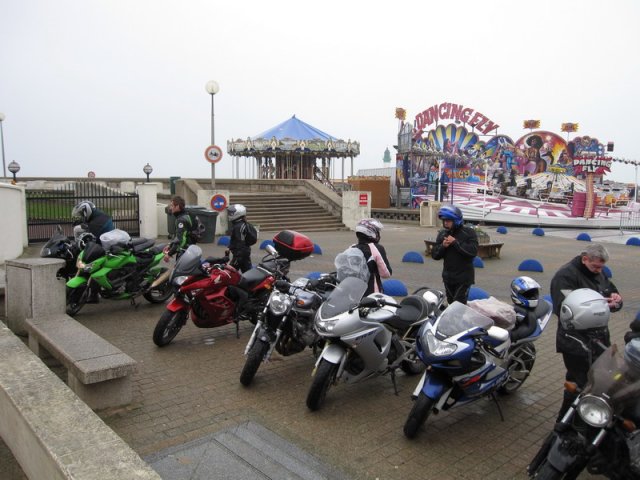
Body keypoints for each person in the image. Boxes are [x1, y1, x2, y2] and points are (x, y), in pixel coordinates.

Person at [550, 243, 623, 420]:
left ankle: (583, 419)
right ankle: (565, 423)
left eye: (602, 267)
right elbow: (564, 310)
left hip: (599, 337)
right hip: (575, 340)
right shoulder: (565, 275)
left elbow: (610, 292)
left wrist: (616, 300)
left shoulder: (599, 272)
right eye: (595, 266)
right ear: (585, 259)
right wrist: (600, 306)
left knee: (597, 381)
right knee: (580, 383)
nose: (599, 270)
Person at [431, 205, 478, 305]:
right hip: (448, 278)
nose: (445, 223)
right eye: (444, 220)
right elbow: (435, 255)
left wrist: (455, 242)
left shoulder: (469, 233)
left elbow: (473, 252)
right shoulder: (443, 234)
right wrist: (443, 246)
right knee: (451, 304)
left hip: (463, 278)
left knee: (458, 305)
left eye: (448, 220)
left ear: (456, 220)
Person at [353, 218, 392, 296]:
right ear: (371, 232)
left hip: (354, 292)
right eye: (377, 232)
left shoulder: (352, 248)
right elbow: (386, 273)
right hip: (372, 292)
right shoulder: (376, 248)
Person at [163, 195, 194, 261]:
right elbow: (180, 236)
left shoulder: (181, 220)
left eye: (172, 206)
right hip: (191, 249)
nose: (170, 208)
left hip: (184, 252)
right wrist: (170, 245)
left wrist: (169, 254)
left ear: (177, 206)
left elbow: (181, 241)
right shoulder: (187, 214)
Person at [226, 204, 252, 273]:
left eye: (231, 213)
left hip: (241, 255)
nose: (229, 215)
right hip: (242, 254)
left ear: (238, 214)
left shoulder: (239, 226)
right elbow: (235, 239)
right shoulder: (237, 224)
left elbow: (241, 242)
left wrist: (238, 256)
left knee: (229, 273)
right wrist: (230, 247)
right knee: (247, 273)